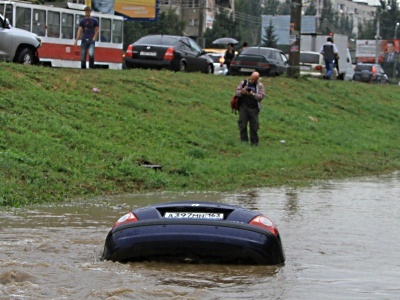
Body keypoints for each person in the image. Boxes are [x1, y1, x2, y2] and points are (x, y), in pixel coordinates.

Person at [234, 72, 265, 146]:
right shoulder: (243, 83)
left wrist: (253, 94)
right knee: (243, 124)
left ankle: (254, 143)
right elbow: (236, 92)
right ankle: (244, 141)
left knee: (254, 126)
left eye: (255, 79)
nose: (253, 80)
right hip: (243, 107)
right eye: (253, 78)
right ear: (250, 77)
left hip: (254, 108)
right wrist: (242, 92)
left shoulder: (259, 86)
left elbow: (261, 96)